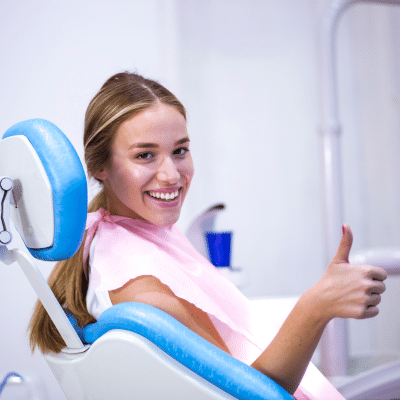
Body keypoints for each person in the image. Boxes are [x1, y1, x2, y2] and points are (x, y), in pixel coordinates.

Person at [29, 72, 387, 399]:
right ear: (100, 167)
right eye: (145, 155)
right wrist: (316, 306)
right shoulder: (142, 287)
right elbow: (247, 392)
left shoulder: (125, 237)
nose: (171, 174)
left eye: (180, 150)